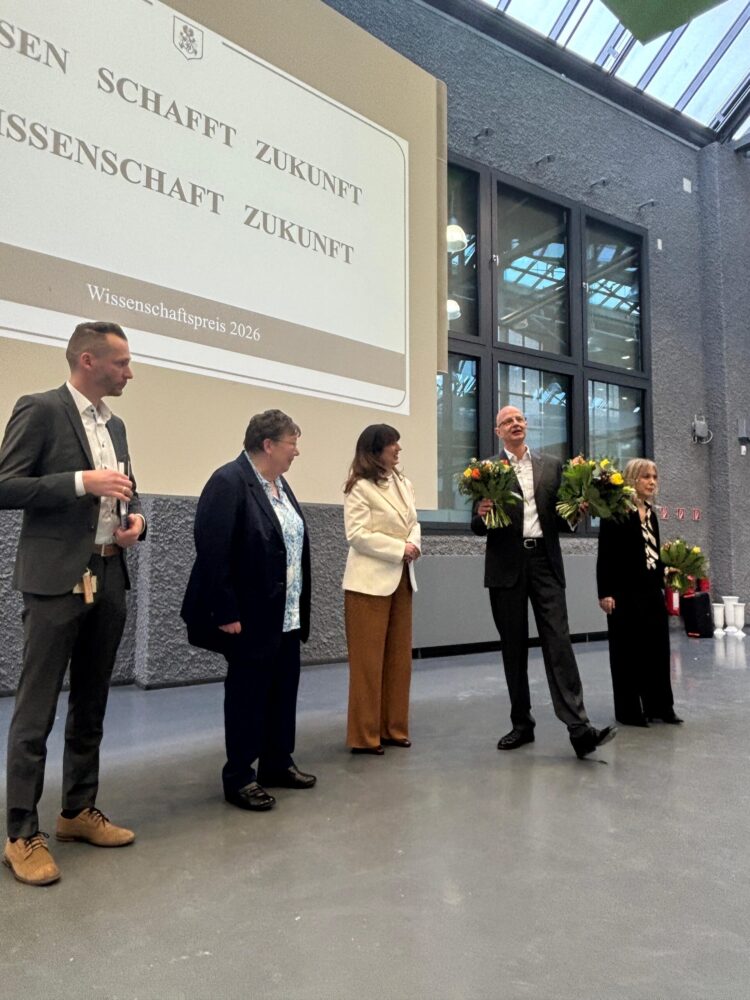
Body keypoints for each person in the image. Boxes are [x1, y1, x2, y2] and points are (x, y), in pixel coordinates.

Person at [0, 321, 145, 887]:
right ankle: (20, 833)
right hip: (56, 580)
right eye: (121, 363)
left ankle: (77, 811)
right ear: (88, 361)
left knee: (92, 701)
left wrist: (136, 523)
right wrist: (81, 482)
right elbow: (6, 487)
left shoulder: (117, 425)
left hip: (108, 573)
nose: (130, 373)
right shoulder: (40, 409)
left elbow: (129, 490)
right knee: (36, 710)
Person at [181, 409, 315, 812]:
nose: (296, 452)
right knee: (247, 696)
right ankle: (240, 775)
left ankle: (277, 762)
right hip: (249, 615)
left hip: (285, 614)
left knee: (282, 690)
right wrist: (225, 610)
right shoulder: (228, 482)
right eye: (292, 444)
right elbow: (212, 550)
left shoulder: (280, 486)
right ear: (268, 445)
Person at [472, 405, 616, 759]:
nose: (515, 424)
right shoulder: (486, 470)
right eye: (507, 421)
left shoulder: (551, 466)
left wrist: (577, 512)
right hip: (506, 567)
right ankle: (522, 724)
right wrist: (481, 513)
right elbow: (476, 526)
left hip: (545, 562)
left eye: (519, 419)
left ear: (526, 425)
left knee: (559, 642)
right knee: (513, 646)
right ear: (498, 431)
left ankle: (579, 729)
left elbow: (562, 520)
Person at [342, 425, 421, 755]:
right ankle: (364, 736)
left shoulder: (404, 483)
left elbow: (414, 522)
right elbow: (356, 534)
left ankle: (393, 728)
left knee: (399, 660)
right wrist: (399, 548)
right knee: (368, 663)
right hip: (367, 585)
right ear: (375, 450)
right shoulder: (359, 487)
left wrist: (413, 544)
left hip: (401, 578)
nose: (398, 448)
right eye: (392, 443)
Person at [597, 458, 682, 726]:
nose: (652, 482)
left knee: (657, 650)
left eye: (654, 477)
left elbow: (652, 554)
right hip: (623, 594)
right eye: (646, 476)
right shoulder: (616, 511)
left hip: (651, 592)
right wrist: (605, 592)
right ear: (633, 479)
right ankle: (629, 711)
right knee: (627, 654)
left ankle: (660, 707)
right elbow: (606, 555)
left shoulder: (651, 515)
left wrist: (666, 572)